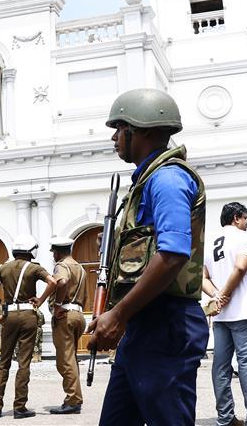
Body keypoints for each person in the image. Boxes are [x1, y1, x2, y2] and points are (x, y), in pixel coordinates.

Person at [88, 89, 207, 426]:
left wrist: (117, 315)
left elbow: (172, 255)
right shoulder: (145, 181)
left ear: (142, 130)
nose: (114, 137)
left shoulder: (168, 178)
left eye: (120, 127)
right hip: (144, 323)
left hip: (166, 324)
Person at [203, 202, 247, 426]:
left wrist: (217, 296)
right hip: (244, 311)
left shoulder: (210, 241)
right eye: (245, 218)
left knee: (220, 367)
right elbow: (241, 268)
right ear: (236, 218)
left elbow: (202, 277)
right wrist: (226, 294)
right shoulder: (244, 238)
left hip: (221, 315)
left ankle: (225, 417)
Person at [0, 234, 57, 418]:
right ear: (31, 251)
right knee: (23, 363)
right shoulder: (34, 268)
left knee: (4, 362)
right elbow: (53, 282)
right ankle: (19, 407)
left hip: (8, 316)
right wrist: (40, 300)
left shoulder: (3, 269)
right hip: (27, 315)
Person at [47, 236, 87, 416]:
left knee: (65, 360)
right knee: (72, 358)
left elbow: (61, 282)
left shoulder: (61, 266)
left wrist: (56, 306)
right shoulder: (80, 267)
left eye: (53, 253)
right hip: (78, 314)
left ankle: (73, 400)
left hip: (65, 314)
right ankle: (74, 397)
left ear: (57, 252)